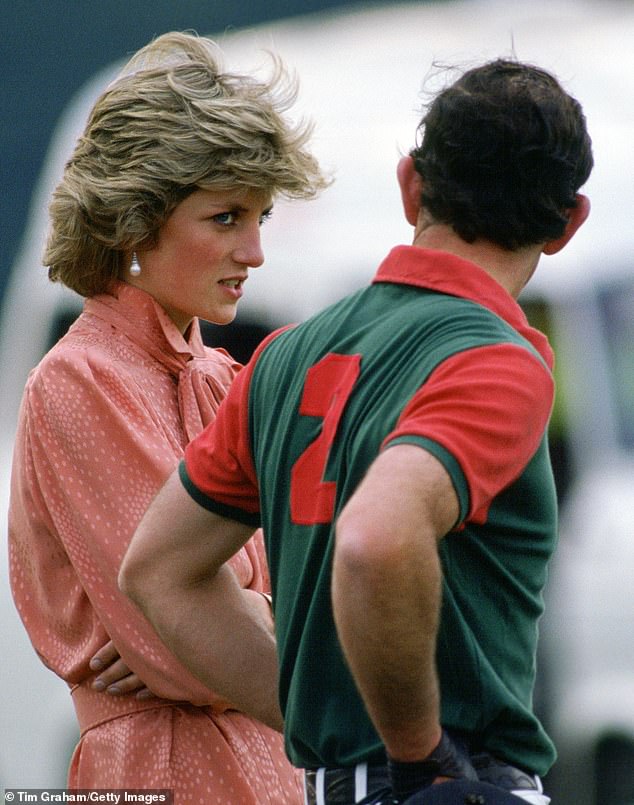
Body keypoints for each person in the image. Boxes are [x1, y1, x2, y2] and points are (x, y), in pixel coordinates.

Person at [119, 58, 593, 805]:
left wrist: (320, 712)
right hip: (450, 783)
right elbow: (377, 539)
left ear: (411, 186)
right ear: (569, 222)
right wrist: (418, 753)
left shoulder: (284, 356)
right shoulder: (498, 359)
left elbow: (156, 571)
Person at [8, 31, 327, 803]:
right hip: (165, 771)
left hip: (269, 767)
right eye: (225, 218)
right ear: (133, 220)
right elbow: (180, 640)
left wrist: (233, 608)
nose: (254, 249)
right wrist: (222, 612)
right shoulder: (77, 380)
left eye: (260, 216)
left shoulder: (227, 378)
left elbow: (314, 592)